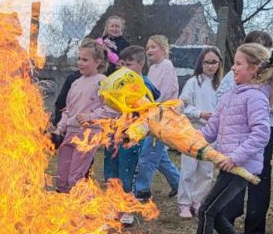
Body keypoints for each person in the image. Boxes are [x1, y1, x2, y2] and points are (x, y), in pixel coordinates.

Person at [164, 42, 273, 234]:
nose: (233, 68)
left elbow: (260, 134)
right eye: (234, 63)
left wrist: (234, 158)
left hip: (240, 168)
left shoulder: (256, 97)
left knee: (206, 210)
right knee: (217, 213)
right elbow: (210, 131)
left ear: (254, 68)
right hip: (228, 164)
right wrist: (185, 140)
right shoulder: (229, 97)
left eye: (238, 63)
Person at [215, 30, 273, 234]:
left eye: (267, 46)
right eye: (258, 45)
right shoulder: (235, 74)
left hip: (264, 128)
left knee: (260, 176)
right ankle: (227, 219)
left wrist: (264, 106)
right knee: (233, 174)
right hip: (237, 130)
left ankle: (255, 227)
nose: (264, 49)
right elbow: (221, 96)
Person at [54, 39, 113, 193]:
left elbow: (112, 108)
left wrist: (91, 116)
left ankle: (84, 205)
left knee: (75, 178)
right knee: (61, 178)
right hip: (70, 132)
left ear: (97, 62)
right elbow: (68, 109)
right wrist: (60, 128)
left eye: (85, 60)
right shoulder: (75, 83)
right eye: (79, 59)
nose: (80, 63)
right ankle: (63, 204)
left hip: (88, 134)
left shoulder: (103, 82)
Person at [107, 45, 152, 223]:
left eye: (129, 64)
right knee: (111, 170)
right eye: (123, 64)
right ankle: (113, 206)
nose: (125, 68)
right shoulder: (119, 83)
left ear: (141, 64)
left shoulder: (145, 86)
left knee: (128, 172)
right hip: (114, 133)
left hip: (132, 137)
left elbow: (150, 111)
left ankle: (128, 209)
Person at [134, 35, 182, 204]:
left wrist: (150, 108)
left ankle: (141, 190)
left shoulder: (167, 66)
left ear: (163, 49)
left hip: (161, 116)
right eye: (147, 47)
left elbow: (162, 93)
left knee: (148, 155)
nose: (149, 50)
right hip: (150, 115)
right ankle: (179, 183)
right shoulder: (153, 68)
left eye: (153, 46)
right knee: (159, 155)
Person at [177, 47, 222, 218]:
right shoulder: (193, 82)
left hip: (212, 131)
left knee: (206, 169)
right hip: (193, 129)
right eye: (207, 62)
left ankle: (198, 200)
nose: (210, 66)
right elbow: (183, 105)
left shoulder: (221, 85)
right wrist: (199, 114)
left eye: (214, 62)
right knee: (189, 168)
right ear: (201, 63)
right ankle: (184, 202)